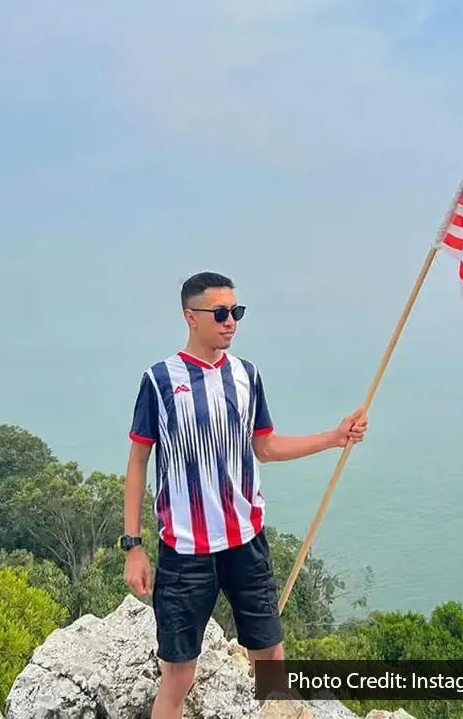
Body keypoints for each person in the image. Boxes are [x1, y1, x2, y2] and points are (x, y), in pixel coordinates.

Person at [121, 271, 367, 719]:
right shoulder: (160, 380)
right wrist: (133, 546)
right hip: (186, 551)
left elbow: (265, 446)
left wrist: (334, 437)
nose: (231, 321)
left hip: (246, 544)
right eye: (220, 313)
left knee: (270, 660)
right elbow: (138, 460)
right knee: (178, 675)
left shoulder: (246, 375)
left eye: (236, 311)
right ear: (190, 316)